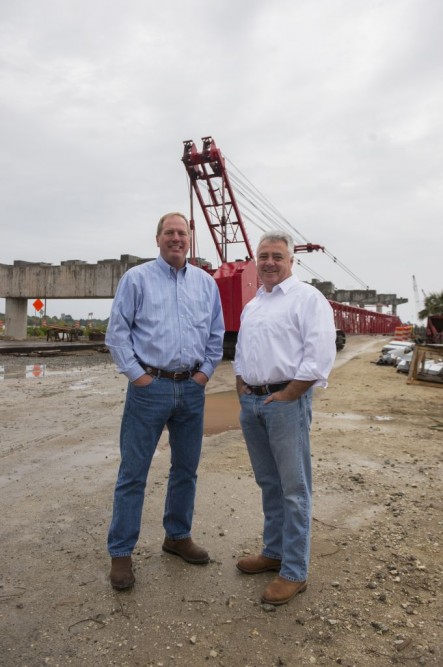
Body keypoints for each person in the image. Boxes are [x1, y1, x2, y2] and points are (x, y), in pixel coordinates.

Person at [105, 212, 224, 590]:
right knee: (133, 473)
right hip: (149, 387)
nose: (176, 238)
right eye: (169, 232)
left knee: (186, 469)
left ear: (190, 240)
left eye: (182, 233)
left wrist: (205, 372)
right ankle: (121, 552)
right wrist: (137, 376)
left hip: (191, 388)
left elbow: (216, 333)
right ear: (158, 238)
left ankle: (177, 536)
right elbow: (117, 333)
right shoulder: (136, 279)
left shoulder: (206, 283)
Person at [233, 230, 336, 606]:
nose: (270, 262)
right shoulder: (254, 304)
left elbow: (319, 352)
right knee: (269, 483)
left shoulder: (308, 299)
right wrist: (241, 384)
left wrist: (291, 393)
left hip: (286, 403)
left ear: (291, 261)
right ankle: (273, 552)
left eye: (278, 256)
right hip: (254, 403)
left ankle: (294, 570)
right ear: (256, 262)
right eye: (264, 256)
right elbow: (244, 349)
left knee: (294, 488)